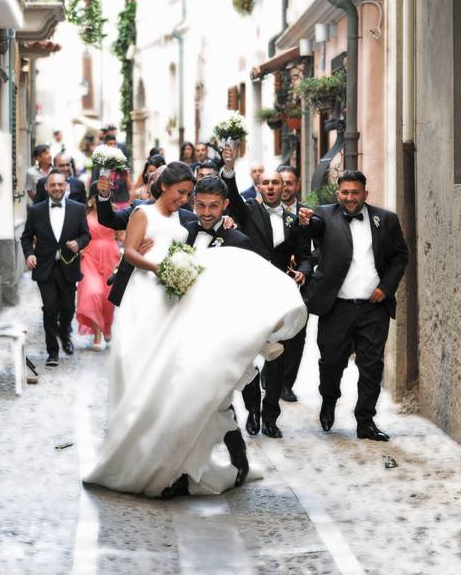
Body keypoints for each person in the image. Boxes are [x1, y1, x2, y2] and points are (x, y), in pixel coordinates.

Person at [83, 163, 308, 498]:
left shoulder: (237, 239)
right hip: (167, 316)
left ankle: (236, 460)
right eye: (195, 202)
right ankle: (171, 470)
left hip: (212, 329)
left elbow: (253, 280)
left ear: (225, 207)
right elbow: (128, 226)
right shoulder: (182, 221)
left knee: (211, 396)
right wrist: (140, 251)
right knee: (174, 394)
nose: (202, 210)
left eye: (211, 206)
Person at [298, 170, 408, 441]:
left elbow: (400, 256)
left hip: (373, 307)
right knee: (332, 363)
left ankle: (365, 421)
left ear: (365, 194)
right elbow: (313, 227)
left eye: (354, 192)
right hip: (336, 308)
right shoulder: (324, 215)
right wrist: (306, 221)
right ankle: (329, 399)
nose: (349, 197)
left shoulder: (386, 220)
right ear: (338, 194)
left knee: (372, 366)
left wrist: (386, 287)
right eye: (345, 192)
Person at [220, 149, 312, 439]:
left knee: (277, 357)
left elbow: (305, 255)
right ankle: (253, 411)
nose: (272, 187)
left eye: (277, 183)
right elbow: (232, 197)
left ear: (284, 188)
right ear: (260, 186)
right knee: (248, 354)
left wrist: (303, 272)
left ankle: (271, 416)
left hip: (281, 295)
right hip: (250, 293)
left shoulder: (293, 219)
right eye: (267, 183)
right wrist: (229, 167)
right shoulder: (247, 211)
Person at [96, 168, 198, 307]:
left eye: (188, 194)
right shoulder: (140, 209)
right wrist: (104, 195)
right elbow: (110, 220)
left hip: (172, 293)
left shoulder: (189, 217)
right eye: (153, 179)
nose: (184, 198)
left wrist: (225, 220)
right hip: (139, 286)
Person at [20, 170, 91, 367]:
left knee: (68, 308)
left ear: (66, 186)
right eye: (53, 185)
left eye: (60, 185)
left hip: (68, 266)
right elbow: (25, 237)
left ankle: (64, 332)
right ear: (46, 187)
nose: (57, 188)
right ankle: (52, 352)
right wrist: (29, 254)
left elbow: (86, 235)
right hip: (45, 267)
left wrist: (78, 243)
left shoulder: (78, 209)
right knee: (50, 307)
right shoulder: (37, 211)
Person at [272, 164, 310, 402]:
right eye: (281, 182)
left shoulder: (308, 214)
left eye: (290, 183)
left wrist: (304, 269)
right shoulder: (262, 211)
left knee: (297, 335)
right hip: (273, 282)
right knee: (273, 332)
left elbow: (312, 251)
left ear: (297, 185)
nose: (285, 188)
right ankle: (271, 375)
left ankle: (287, 383)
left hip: (299, 284)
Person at [76, 185, 122, 351]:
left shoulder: (114, 215)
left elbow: (122, 236)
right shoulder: (84, 216)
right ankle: (96, 334)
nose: (99, 199)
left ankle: (107, 328)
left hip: (111, 257)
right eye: (97, 196)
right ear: (92, 199)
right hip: (89, 258)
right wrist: (78, 249)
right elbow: (79, 235)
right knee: (92, 292)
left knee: (108, 299)